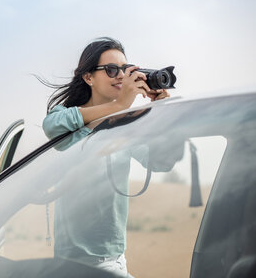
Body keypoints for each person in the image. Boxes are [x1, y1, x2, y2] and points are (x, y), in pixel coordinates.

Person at [41, 37, 169, 277]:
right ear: (88, 77)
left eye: (125, 69)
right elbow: (52, 126)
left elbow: (162, 163)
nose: (120, 76)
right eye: (111, 70)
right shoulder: (66, 116)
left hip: (114, 259)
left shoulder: (125, 125)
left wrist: (164, 113)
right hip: (76, 262)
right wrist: (119, 106)